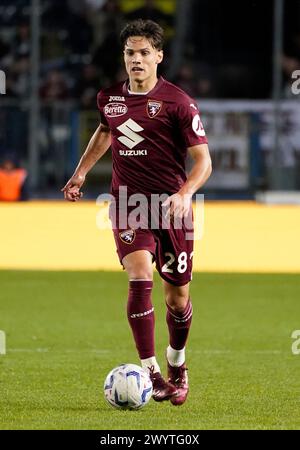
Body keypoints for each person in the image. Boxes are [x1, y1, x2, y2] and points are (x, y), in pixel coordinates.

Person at [62, 19, 212, 406]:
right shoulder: (109, 98)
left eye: (145, 53)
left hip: (172, 209)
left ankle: (176, 363)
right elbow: (104, 131)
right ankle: (152, 372)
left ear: (159, 56)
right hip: (128, 204)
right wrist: (80, 173)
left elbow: (203, 162)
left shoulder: (179, 102)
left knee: (177, 299)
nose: (137, 60)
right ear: (124, 57)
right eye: (131, 53)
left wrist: (184, 193)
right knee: (139, 274)